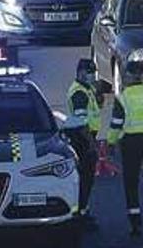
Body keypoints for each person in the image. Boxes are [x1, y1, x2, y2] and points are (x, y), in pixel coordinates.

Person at [65, 58, 102, 229]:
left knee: (87, 179)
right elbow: (81, 123)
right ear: (80, 73)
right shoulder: (79, 93)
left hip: (86, 137)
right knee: (84, 179)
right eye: (89, 73)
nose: (92, 76)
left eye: (93, 73)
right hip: (82, 139)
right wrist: (91, 145)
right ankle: (79, 214)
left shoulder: (87, 89)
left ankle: (83, 211)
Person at [108, 62, 143, 237]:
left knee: (131, 182)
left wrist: (110, 143)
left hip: (131, 142)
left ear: (128, 76)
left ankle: (135, 222)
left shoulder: (123, 97)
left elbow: (116, 124)